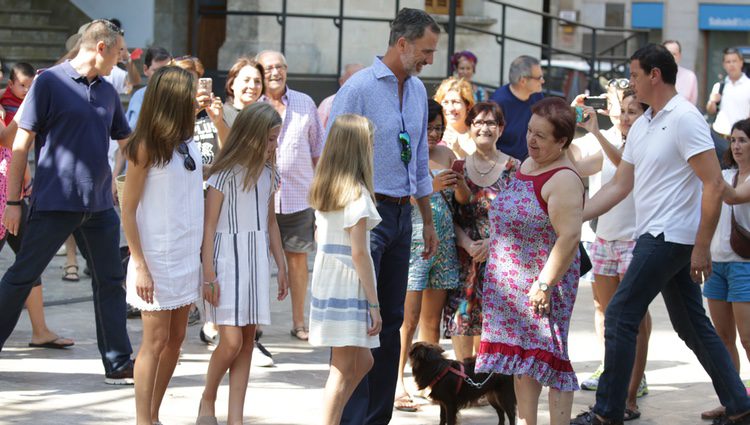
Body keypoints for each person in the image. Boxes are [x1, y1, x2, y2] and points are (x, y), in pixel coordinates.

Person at [571, 43, 750, 425]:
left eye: (635, 75)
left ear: (654, 75)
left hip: (671, 238)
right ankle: (740, 404)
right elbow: (621, 185)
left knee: (619, 315)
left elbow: (714, 184)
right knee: (691, 325)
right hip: (656, 235)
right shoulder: (644, 123)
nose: (631, 85)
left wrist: (702, 247)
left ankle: (607, 413)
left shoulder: (685, 118)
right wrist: (576, 217)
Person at [0, 19, 134, 384]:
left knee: (110, 281)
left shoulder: (107, 90)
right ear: (101, 48)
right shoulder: (48, 82)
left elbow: (127, 142)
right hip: (55, 203)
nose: (121, 59)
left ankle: (118, 362)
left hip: (100, 208)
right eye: (119, 51)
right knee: (22, 276)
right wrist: (13, 202)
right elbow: (21, 144)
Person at [326, 7, 440, 424]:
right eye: (426, 50)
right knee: (359, 323)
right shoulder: (357, 89)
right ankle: (350, 417)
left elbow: (420, 159)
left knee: (390, 321)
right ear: (402, 43)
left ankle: (377, 418)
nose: (430, 59)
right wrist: (347, 214)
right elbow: (332, 155)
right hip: (364, 215)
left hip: (402, 215)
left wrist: (426, 219)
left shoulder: (417, 92)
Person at [477, 97, 583, 425]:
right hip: (510, 284)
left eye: (541, 136)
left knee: (549, 359)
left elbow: (569, 237)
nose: (531, 141)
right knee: (522, 362)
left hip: (542, 285)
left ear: (562, 141)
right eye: (529, 132)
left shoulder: (563, 178)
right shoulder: (526, 165)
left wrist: (544, 283)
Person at [197, 102, 289, 425]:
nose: (272, 146)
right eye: (268, 139)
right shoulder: (222, 175)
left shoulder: (270, 174)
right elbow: (208, 227)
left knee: (248, 342)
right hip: (225, 260)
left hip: (256, 262)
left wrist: (281, 264)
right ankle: (208, 396)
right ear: (249, 136)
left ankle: (235, 417)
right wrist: (208, 272)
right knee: (231, 341)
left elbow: (272, 222)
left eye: (275, 139)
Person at [121, 66, 203, 425]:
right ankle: (143, 420)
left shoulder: (189, 142)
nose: (197, 98)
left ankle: (154, 414)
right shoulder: (143, 147)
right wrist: (139, 263)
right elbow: (127, 208)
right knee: (153, 343)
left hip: (186, 254)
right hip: (156, 257)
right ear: (174, 99)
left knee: (177, 339)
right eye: (191, 93)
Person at [572, 91, 651, 420]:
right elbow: (573, 161)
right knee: (606, 313)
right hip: (603, 239)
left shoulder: (645, 143)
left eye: (633, 111)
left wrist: (594, 133)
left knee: (634, 319)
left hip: (635, 241)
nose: (626, 116)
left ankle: (632, 393)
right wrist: (570, 120)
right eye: (622, 110)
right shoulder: (604, 139)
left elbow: (622, 169)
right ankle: (614, 386)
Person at [308, 114, 383, 425]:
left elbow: (318, 235)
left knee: (363, 361)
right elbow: (360, 253)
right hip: (348, 285)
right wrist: (374, 304)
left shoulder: (326, 189)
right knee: (340, 372)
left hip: (328, 279)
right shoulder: (357, 195)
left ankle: (335, 418)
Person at [395, 99, 462, 412]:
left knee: (432, 321)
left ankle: (430, 379)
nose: (434, 133)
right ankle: (397, 382)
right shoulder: (406, 153)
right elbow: (397, 198)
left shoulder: (448, 153)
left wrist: (459, 181)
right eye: (429, 126)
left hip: (445, 243)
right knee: (407, 320)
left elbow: (463, 199)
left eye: (439, 127)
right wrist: (432, 186)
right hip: (416, 242)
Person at [0, 63, 74, 350]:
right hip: (6, 198)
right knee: (29, 260)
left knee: (30, 260)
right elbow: (7, 140)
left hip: (10, 194)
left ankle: (40, 330)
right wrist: (29, 105)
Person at [443, 101, 518, 367]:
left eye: (491, 123)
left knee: (494, 322)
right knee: (460, 319)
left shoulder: (515, 169)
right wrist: (466, 243)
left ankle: (489, 379)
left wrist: (492, 243)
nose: (484, 128)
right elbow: (447, 214)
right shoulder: (458, 167)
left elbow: (520, 217)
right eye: (478, 123)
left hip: (501, 259)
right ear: (470, 127)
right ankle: (466, 378)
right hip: (464, 257)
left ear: (500, 128)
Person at [257, 50, 324, 342]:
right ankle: (255, 322)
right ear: (259, 71)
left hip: (299, 196)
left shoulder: (305, 102)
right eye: (268, 67)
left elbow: (317, 150)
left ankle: (299, 322)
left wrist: (322, 195)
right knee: (258, 261)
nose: (275, 72)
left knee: (298, 261)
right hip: (259, 199)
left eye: (280, 67)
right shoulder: (252, 103)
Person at [701, 118, 750, 421]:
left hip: (744, 266)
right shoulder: (725, 174)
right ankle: (732, 398)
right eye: (733, 140)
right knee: (722, 340)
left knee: (747, 338)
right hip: (716, 265)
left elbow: (731, 197)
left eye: (743, 140)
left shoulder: (732, 180)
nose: (736, 146)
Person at [490, 55, 545, 160]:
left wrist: (575, 112)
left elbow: (551, 124)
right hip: (503, 165)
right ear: (523, 81)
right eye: (539, 78)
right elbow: (488, 141)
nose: (542, 81)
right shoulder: (498, 103)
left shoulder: (537, 96)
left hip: (531, 161)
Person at [707, 47, 750, 166]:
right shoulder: (720, 85)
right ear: (724, 64)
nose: (731, 65)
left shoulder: (748, 85)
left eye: (734, 61)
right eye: (728, 61)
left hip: (741, 140)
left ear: (741, 62)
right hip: (719, 137)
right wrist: (712, 101)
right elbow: (711, 110)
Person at [125, 46, 173, 129]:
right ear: (145, 70)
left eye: (167, 70)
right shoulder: (140, 96)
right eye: (157, 71)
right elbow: (134, 131)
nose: (162, 75)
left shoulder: (178, 95)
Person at [434, 76, 475, 158]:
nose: (450, 108)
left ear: (468, 105)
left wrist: (458, 150)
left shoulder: (477, 133)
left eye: (456, 102)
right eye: (445, 102)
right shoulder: (433, 133)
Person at [317, 63, 365, 129]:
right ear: (341, 81)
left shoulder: (372, 102)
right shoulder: (328, 103)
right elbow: (320, 134)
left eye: (362, 80)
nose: (357, 86)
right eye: (352, 81)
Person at [222, 56, 265, 126]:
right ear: (232, 84)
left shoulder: (266, 118)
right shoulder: (221, 116)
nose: (252, 86)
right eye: (246, 80)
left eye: (257, 81)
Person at [663, 40, 698, 105]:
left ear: (679, 56)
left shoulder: (690, 77)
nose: (670, 57)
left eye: (674, 54)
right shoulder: (654, 76)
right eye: (667, 53)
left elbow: (692, 105)